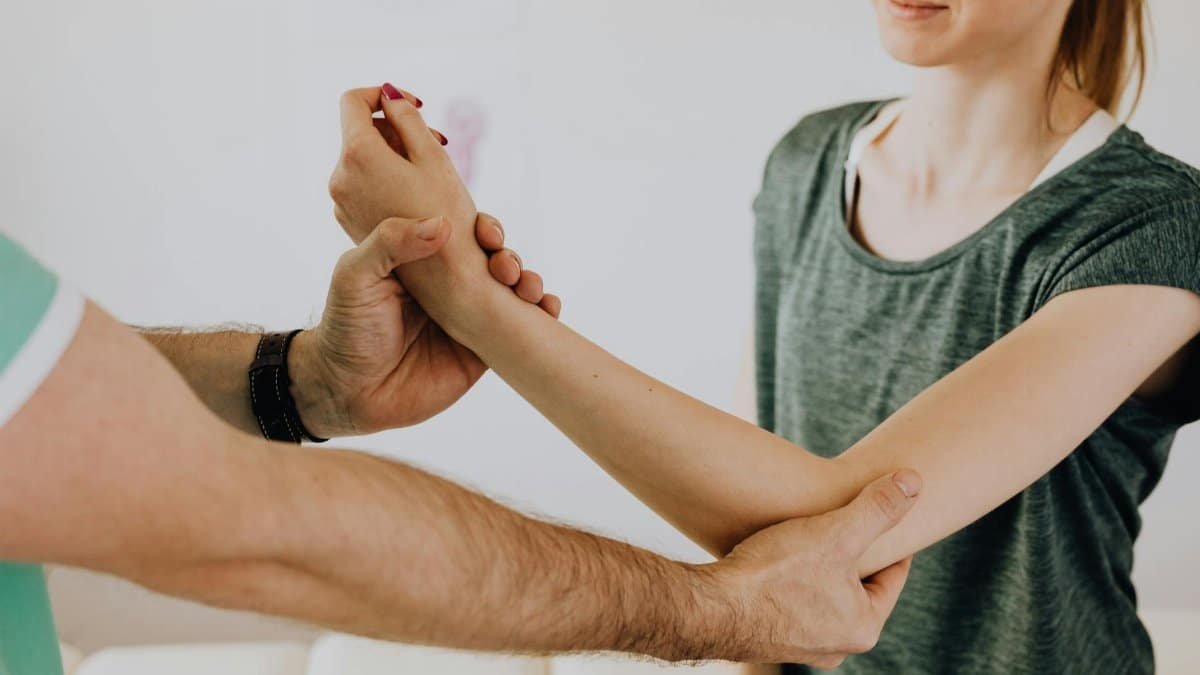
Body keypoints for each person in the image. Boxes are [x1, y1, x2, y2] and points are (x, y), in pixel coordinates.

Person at [345, 0, 1200, 672]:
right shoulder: (808, 161)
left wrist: (466, 296)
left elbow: (838, 521)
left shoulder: (1154, 225)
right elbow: (762, 508)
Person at [0, 136, 924, 674]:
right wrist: (721, 607)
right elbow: (249, 524)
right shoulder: (814, 160)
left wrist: (302, 379)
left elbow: (62, 396)